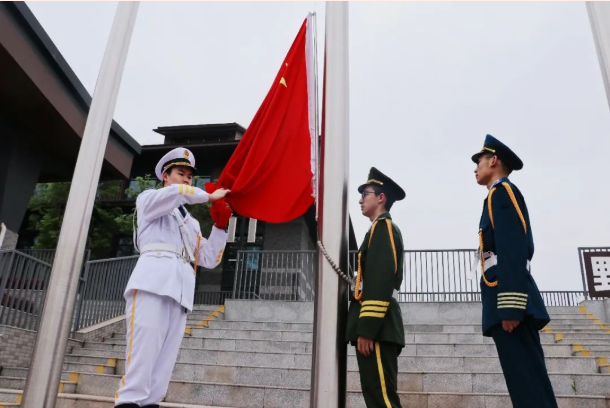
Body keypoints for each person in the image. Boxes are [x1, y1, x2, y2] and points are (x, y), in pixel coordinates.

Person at [115, 147, 232, 408]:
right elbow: (178, 194)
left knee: (163, 367)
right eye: (181, 173)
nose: (187, 180)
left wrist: (221, 227)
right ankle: (129, 403)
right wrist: (208, 196)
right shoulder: (149, 199)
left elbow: (209, 258)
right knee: (142, 359)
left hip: (180, 293)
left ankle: (151, 403)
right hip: (151, 284)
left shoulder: (192, 223)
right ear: (165, 177)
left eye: (191, 177)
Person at [472, 134, 557, 408]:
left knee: (529, 387)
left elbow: (513, 248)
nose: (476, 168)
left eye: (480, 161)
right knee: (524, 386)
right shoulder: (495, 196)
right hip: (505, 300)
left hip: (510, 304)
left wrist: (510, 308)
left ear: (494, 160)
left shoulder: (502, 192)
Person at [346, 167, 406, 408]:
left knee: (382, 400)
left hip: (377, 328)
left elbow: (381, 279)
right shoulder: (375, 229)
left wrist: (367, 328)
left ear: (381, 198)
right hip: (377, 326)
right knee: (377, 396)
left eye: (366, 193)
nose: (360, 199)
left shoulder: (384, 228)